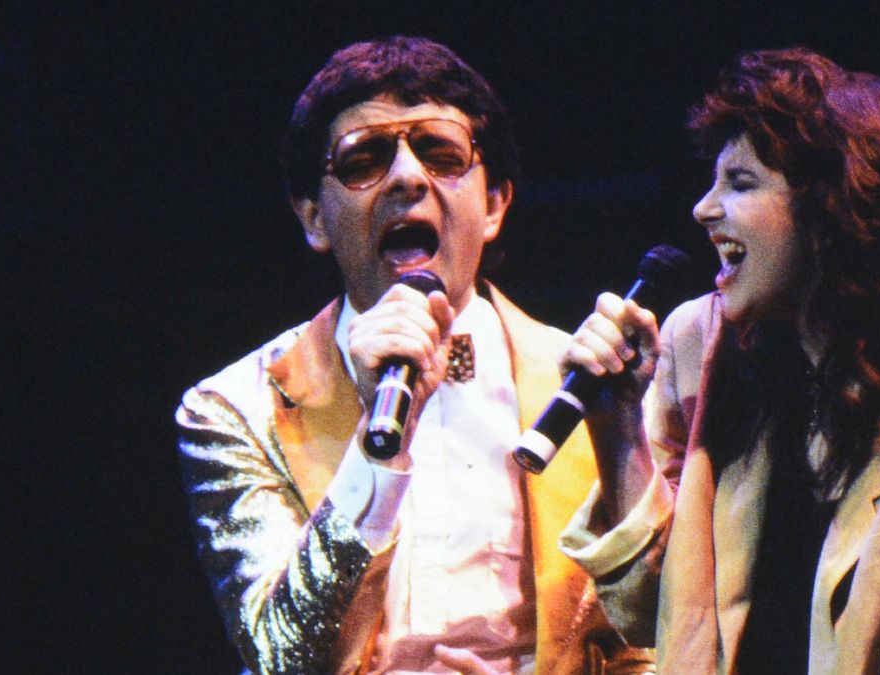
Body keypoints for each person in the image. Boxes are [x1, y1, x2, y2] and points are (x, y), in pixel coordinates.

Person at [557, 47, 880, 673]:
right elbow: (649, 617)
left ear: (834, 207)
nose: (703, 208)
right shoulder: (706, 353)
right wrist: (617, 427)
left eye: (741, 182)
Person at [176, 36, 651, 674]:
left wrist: (623, 438)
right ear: (314, 217)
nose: (407, 177)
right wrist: (376, 453)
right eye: (364, 159)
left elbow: (651, 637)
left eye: (440, 152)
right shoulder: (232, 408)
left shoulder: (593, 381)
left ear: (493, 204)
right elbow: (284, 658)